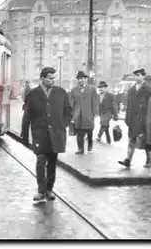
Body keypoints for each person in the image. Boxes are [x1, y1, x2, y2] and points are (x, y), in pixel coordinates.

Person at [20, 67, 72, 203]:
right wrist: (24, 137)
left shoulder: (61, 92)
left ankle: (49, 189)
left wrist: (63, 124)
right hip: (39, 134)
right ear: (42, 78)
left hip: (56, 134)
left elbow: (68, 111)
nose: (53, 80)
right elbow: (27, 116)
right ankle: (41, 191)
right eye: (50, 78)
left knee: (52, 162)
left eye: (54, 78)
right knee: (40, 161)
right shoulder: (33, 94)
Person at [118, 68, 151, 168]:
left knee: (145, 141)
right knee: (131, 140)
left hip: (144, 119)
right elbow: (129, 105)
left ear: (143, 76)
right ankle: (128, 160)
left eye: (139, 75)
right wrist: (127, 118)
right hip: (133, 119)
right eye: (135, 75)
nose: (137, 77)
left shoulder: (149, 90)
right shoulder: (131, 90)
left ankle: (149, 160)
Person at [69, 71, 99, 154]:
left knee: (89, 131)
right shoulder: (74, 90)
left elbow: (95, 101)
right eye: (79, 79)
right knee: (79, 133)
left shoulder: (92, 89)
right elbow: (71, 103)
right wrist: (71, 114)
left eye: (82, 78)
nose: (80, 80)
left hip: (88, 114)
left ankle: (90, 145)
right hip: (77, 115)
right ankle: (80, 149)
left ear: (86, 79)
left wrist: (95, 112)